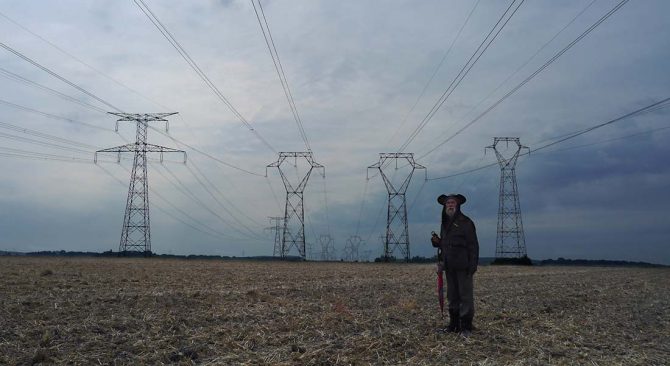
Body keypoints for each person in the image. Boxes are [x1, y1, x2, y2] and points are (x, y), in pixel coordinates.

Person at [431, 193, 479, 336]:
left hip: (463, 266)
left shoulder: (466, 222)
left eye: (452, 202)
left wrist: (473, 265)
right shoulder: (444, 223)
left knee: (465, 297)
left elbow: (473, 246)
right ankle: (453, 326)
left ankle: (466, 327)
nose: (450, 205)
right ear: (445, 206)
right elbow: (446, 245)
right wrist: (437, 242)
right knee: (452, 297)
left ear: (458, 205)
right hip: (449, 266)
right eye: (448, 203)